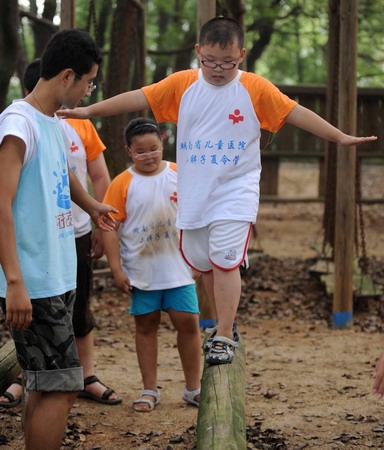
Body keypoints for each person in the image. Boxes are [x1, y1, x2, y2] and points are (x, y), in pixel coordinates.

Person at [57, 17, 377, 366]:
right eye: (210, 61)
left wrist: (340, 137)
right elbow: (139, 97)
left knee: (225, 260)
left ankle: (224, 334)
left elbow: (297, 113)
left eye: (228, 62)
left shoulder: (255, 88)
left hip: (235, 192)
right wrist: (87, 111)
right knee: (207, 264)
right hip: (195, 193)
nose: (218, 69)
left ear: (241, 55)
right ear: (198, 52)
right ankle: (227, 327)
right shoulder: (184, 84)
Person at [0, 29, 117, 450]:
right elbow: (1, 204)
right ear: (68, 76)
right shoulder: (17, 123)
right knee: (65, 385)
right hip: (33, 280)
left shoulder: (50, 120)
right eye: (89, 81)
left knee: (47, 385)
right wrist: (14, 282)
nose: (90, 90)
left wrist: (90, 204)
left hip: (59, 272)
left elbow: (62, 172)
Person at [102, 117, 201, 411]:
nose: (148, 156)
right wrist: (116, 269)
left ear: (163, 142)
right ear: (129, 151)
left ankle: (193, 388)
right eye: (140, 151)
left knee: (189, 323)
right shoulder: (122, 183)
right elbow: (108, 227)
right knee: (145, 327)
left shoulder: (179, 173)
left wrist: (198, 255)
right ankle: (149, 390)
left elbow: (197, 215)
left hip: (180, 268)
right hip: (140, 271)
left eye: (154, 148)